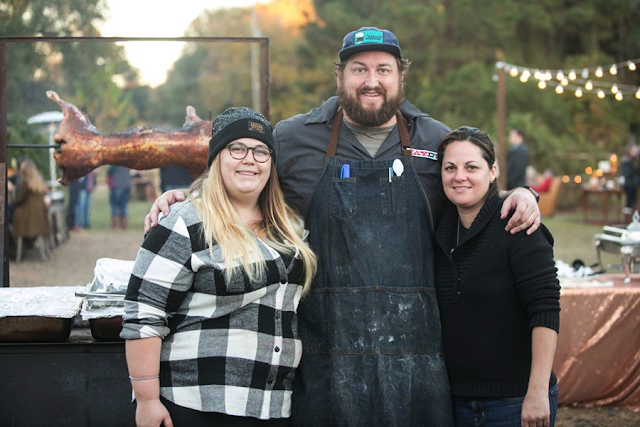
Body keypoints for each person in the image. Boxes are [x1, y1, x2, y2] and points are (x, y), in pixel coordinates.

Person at [144, 27, 541, 426]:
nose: (371, 81)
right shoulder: (294, 136)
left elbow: (470, 188)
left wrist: (519, 194)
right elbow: (245, 180)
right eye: (359, 69)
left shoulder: (434, 137)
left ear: (401, 76)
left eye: (383, 70)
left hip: (417, 352)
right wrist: (189, 195)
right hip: (326, 352)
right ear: (340, 75)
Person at [120, 107, 317, 427]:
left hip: (271, 406)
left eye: (261, 151)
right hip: (196, 405)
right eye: (237, 148)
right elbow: (144, 314)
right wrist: (146, 400)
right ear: (216, 159)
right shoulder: (185, 221)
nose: (250, 158)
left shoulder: (290, 228)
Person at [435, 126, 560, 427]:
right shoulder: (439, 229)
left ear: (492, 172)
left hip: (514, 401)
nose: (459, 176)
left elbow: (545, 310)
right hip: (453, 401)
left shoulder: (517, 225)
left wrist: (537, 391)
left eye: (471, 167)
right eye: (450, 168)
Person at [11, 158, 51, 258]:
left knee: (9, 212)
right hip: (39, 219)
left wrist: (12, 194)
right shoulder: (40, 183)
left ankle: (12, 247)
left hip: (27, 219)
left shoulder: (25, 184)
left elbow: (19, 200)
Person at [107, 165, 132, 229]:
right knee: (124, 206)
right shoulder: (128, 160)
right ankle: (124, 225)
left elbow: (110, 171)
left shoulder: (115, 161)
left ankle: (115, 225)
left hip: (117, 185)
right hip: (126, 185)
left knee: (115, 205)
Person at [620, 143, 639, 220]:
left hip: (633, 185)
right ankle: (627, 220)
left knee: (633, 202)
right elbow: (627, 174)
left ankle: (632, 218)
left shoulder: (633, 160)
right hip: (630, 185)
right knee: (629, 202)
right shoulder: (627, 161)